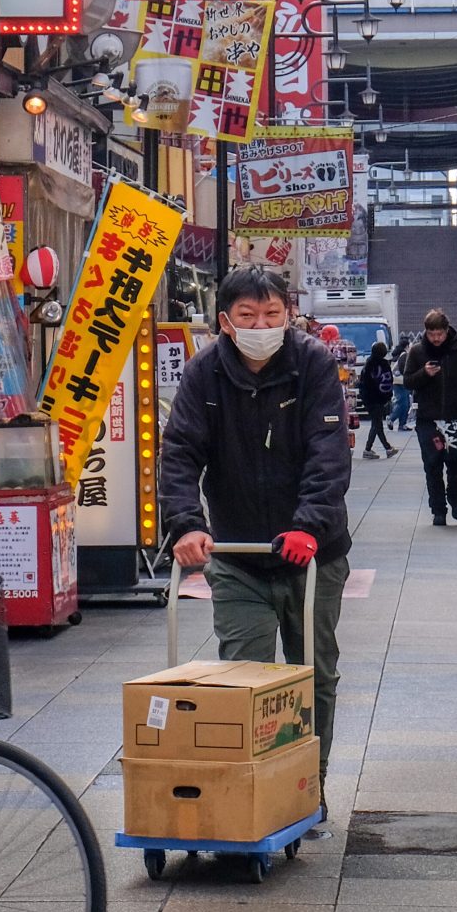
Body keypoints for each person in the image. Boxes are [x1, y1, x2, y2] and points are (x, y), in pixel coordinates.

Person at [160, 263, 352, 800]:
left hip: (312, 555)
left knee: (314, 675)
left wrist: (308, 524)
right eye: (248, 314)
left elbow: (328, 452)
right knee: (244, 676)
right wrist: (186, 524)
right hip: (239, 554)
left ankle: (306, 787)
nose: (261, 323)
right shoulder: (205, 373)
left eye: (272, 313)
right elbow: (178, 454)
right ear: (226, 321)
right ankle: (251, 794)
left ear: (288, 315)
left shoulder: (311, 364)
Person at [401, 308, 457, 528]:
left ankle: (454, 495)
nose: (435, 339)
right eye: (431, 334)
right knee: (432, 464)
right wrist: (424, 374)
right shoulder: (417, 352)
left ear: (447, 331)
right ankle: (438, 509)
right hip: (428, 419)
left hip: (456, 417)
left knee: (456, 462)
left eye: (439, 334)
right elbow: (407, 381)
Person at [390, 332, 415, 433]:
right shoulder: (404, 354)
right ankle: (392, 419)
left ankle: (402, 424)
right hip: (402, 381)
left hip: (396, 381)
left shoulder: (397, 353)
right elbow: (404, 369)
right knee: (403, 403)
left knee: (402, 402)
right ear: (407, 345)